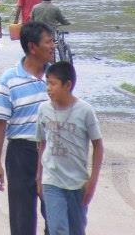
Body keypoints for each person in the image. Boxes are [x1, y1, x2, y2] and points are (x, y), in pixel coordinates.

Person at [0, 21, 54, 235]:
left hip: (54, 152)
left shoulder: (56, 78)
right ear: (32, 47)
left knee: (56, 217)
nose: (53, 46)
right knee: (22, 219)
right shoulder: (9, 79)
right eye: (48, 42)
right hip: (21, 153)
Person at [35, 61, 103, 235]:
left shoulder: (85, 111)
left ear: (67, 85)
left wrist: (93, 181)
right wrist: (39, 175)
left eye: (53, 83)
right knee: (57, 229)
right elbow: (41, 143)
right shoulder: (43, 109)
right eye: (47, 83)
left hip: (78, 183)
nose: (48, 88)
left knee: (76, 230)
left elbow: (98, 146)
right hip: (52, 180)